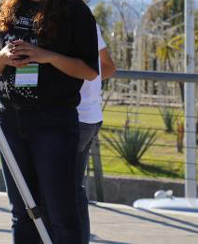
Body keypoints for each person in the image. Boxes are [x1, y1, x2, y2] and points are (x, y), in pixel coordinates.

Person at [0, 0, 99, 244]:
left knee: (61, 214)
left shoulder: (73, 11)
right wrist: (4, 57)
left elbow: (89, 70)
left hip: (53, 122)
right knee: (22, 212)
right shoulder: (7, 7)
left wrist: (46, 56)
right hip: (10, 118)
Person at [76, 23, 116, 244]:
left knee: (62, 190)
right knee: (75, 187)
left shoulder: (64, 22)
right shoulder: (90, 24)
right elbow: (108, 67)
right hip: (91, 117)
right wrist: (89, 86)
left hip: (75, 119)